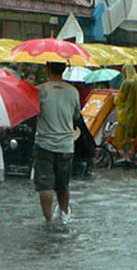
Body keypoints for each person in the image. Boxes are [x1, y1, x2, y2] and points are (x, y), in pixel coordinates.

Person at [34, 61, 80, 223]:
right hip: (66, 145)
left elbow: (34, 112)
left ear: (47, 68)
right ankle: (64, 213)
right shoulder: (73, 92)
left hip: (44, 144)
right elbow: (76, 116)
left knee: (45, 185)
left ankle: (48, 220)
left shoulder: (39, 91)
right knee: (62, 184)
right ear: (65, 69)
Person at [113, 64, 137, 163]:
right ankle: (131, 154)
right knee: (132, 135)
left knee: (124, 136)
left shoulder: (125, 83)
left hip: (125, 113)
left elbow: (121, 98)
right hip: (136, 114)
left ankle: (125, 155)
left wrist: (115, 97)